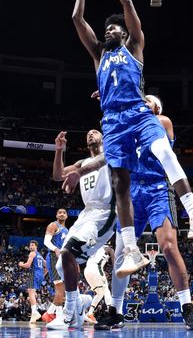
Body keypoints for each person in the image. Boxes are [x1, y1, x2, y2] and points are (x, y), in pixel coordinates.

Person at [71, 0, 193, 276]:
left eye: (114, 28)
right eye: (106, 30)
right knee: (120, 183)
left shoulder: (134, 49)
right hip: (112, 121)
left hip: (137, 112)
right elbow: (77, 20)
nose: (109, 31)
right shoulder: (98, 55)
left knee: (162, 148)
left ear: (124, 34)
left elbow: (129, 6)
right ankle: (131, 251)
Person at [94, 96, 193, 330]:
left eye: (148, 100)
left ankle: (187, 307)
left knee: (169, 247)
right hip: (132, 193)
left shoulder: (161, 122)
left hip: (158, 190)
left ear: (157, 108)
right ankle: (116, 311)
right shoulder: (130, 124)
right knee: (122, 255)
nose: (143, 101)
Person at [47, 129, 117, 330]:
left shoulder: (110, 152)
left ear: (102, 137)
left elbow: (101, 161)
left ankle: (70, 313)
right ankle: (80, 302)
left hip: (105, 213)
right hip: (86, 214)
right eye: (88, 133)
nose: (91, 133)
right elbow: (58, 175)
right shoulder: (82, 162)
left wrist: (78, 173)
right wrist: (59, 150)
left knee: (69, 253)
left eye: (95, 132)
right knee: (62, 265)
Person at [42, 208, 68, 321]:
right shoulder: (53, 225)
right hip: (53, 257)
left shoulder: (66, 230)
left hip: (62, 259)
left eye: (64, 213)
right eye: (60, 212)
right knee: (60, 289)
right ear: (56, 215)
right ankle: (53, 314)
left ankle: (52, 314)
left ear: (67, 216)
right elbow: (46, 241)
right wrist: (55, 249)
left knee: (63, 290)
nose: (62, 214)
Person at [84, 244, 115, 323]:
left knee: (99, 293)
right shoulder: (109, 249)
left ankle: (90, 313)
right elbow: (114, 261)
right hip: (96, 268)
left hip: (86, 270)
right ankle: (111, 314)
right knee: (106, 290)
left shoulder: (95, 248)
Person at [18, 240, 47, 324]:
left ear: (36, 246)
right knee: (32, 292)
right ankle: (35, 312)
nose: (31, 247)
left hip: (34, 273)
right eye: (30, 245)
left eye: (33, 245)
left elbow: (27, 265)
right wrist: (42, 274)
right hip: (40, 274)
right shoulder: (40, 256)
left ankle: (35, 312)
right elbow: (47, 266)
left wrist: (20, 264)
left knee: (30, 292)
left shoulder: (32, 253)